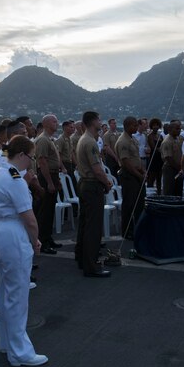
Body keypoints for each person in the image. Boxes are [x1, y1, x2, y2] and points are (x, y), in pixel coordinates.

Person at [0, 135, 47, 367]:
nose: (31, 162)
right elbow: (30, 219)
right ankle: (20, 352)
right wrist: (35, 241)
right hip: (13, 233)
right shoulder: (15, 179)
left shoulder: (0, 173)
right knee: (18, 295)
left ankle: (7, 343)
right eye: (30, 157)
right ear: (21, 155)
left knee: (5, 292)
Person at [75, 112, 113, 278]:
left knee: (85, 224)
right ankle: (91, 266)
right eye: (99, 119)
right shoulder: (90, 142)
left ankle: (82, 259)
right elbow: (97, 170)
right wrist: (107, 183)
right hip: (92, 186)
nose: (101, 121)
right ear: (92, 122)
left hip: (85, 184)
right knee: (93, 227)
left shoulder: (84, 139)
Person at [35, 114, 64, 254]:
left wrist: (56, 180)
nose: (56, 123)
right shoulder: (42, 140)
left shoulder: (50, 139)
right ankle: (42, 241)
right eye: (54, 121)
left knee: (50, 209)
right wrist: (49, 182)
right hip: (46, 176)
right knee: (44, 211)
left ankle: (48, 237)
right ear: (46, 124)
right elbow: (42, 162)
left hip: (53, 174)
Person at [116, 116, 146, 238]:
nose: (136, 127)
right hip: (129, 175)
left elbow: (136, 158)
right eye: (134, 125)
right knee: (129, 204)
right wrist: (138, 175)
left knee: (140, 203)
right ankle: (128, 232)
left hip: (137, 173)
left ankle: (138, 228)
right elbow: (126, 162)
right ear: (128, 126)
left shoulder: (131, 139)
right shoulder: (123, 141)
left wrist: (142, 171)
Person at [161, 120, 184, 196]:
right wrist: (179, 168)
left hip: (178, 168)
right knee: (169, 191)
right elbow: (168, 158)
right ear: (170, 130)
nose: (179, 130)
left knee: (178, 191)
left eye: (179, 128)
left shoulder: (178, 138)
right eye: (177, 129)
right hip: (170, 169)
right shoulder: (167, 141)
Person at [146, 118, 163, 194]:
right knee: (151, 178)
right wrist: (162, 150)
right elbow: (154, 147)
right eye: (153, 125)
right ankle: (149, 193)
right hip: (153, 158)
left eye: (157, 125)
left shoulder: (160, 136)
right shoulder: (150, 136)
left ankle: (159, 194)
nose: (155, 127)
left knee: (159, 178)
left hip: (160, 159)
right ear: (151, 126)